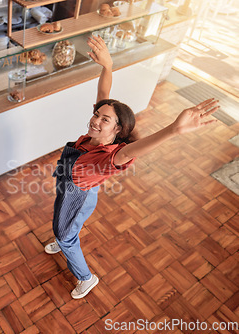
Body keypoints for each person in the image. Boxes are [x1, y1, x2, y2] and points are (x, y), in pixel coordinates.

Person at [44, 35, 219, 299]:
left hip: (78, 196)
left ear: (117, 130)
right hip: (73, 189)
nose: (95, 121)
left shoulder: (109, 157)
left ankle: (86, 277)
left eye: (104, 120)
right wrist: (107, 67)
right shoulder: (97, 135)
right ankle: (63, 239)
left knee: (66, 233)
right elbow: (104, 96)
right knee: (63, 223)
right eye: (96, 115)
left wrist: (173, 129)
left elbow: (131, 151)